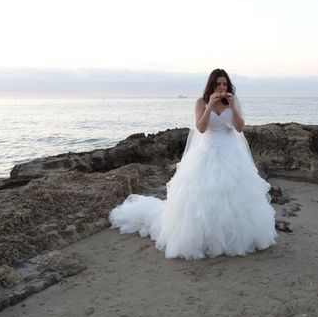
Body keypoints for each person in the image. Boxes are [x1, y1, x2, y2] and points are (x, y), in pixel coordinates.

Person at [109, 68, 277, 259]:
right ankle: (205, 239)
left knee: (235, 198)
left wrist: (233, 106)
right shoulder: (201, 102)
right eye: (218, 84)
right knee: (203, 200)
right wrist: (210, 106)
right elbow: (201, 128)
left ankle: (236, 237)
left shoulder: (233, 101)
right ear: (211, 85)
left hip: (232, 155)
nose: (221, 87)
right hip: (206, 154)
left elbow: (239, 128)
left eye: (224, 84)